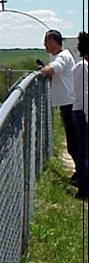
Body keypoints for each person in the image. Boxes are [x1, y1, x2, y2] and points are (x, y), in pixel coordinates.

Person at [40, 30, 78, 184]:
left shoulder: (62, 57)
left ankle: (82, 176)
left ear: (53, 42)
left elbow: (52, 69)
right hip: (67, 103)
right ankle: (79, 173)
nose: (44, 45)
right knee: (74, 142)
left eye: (46, 42)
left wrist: (41, 70)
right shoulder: (60, 56)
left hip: (69, 104)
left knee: (74, 143)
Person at [72, 31, 88, 197]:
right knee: (84, 152)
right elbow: (83, 95)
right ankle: (84, 189)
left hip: (83, 112)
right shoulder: (82, 67)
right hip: (82, 113)